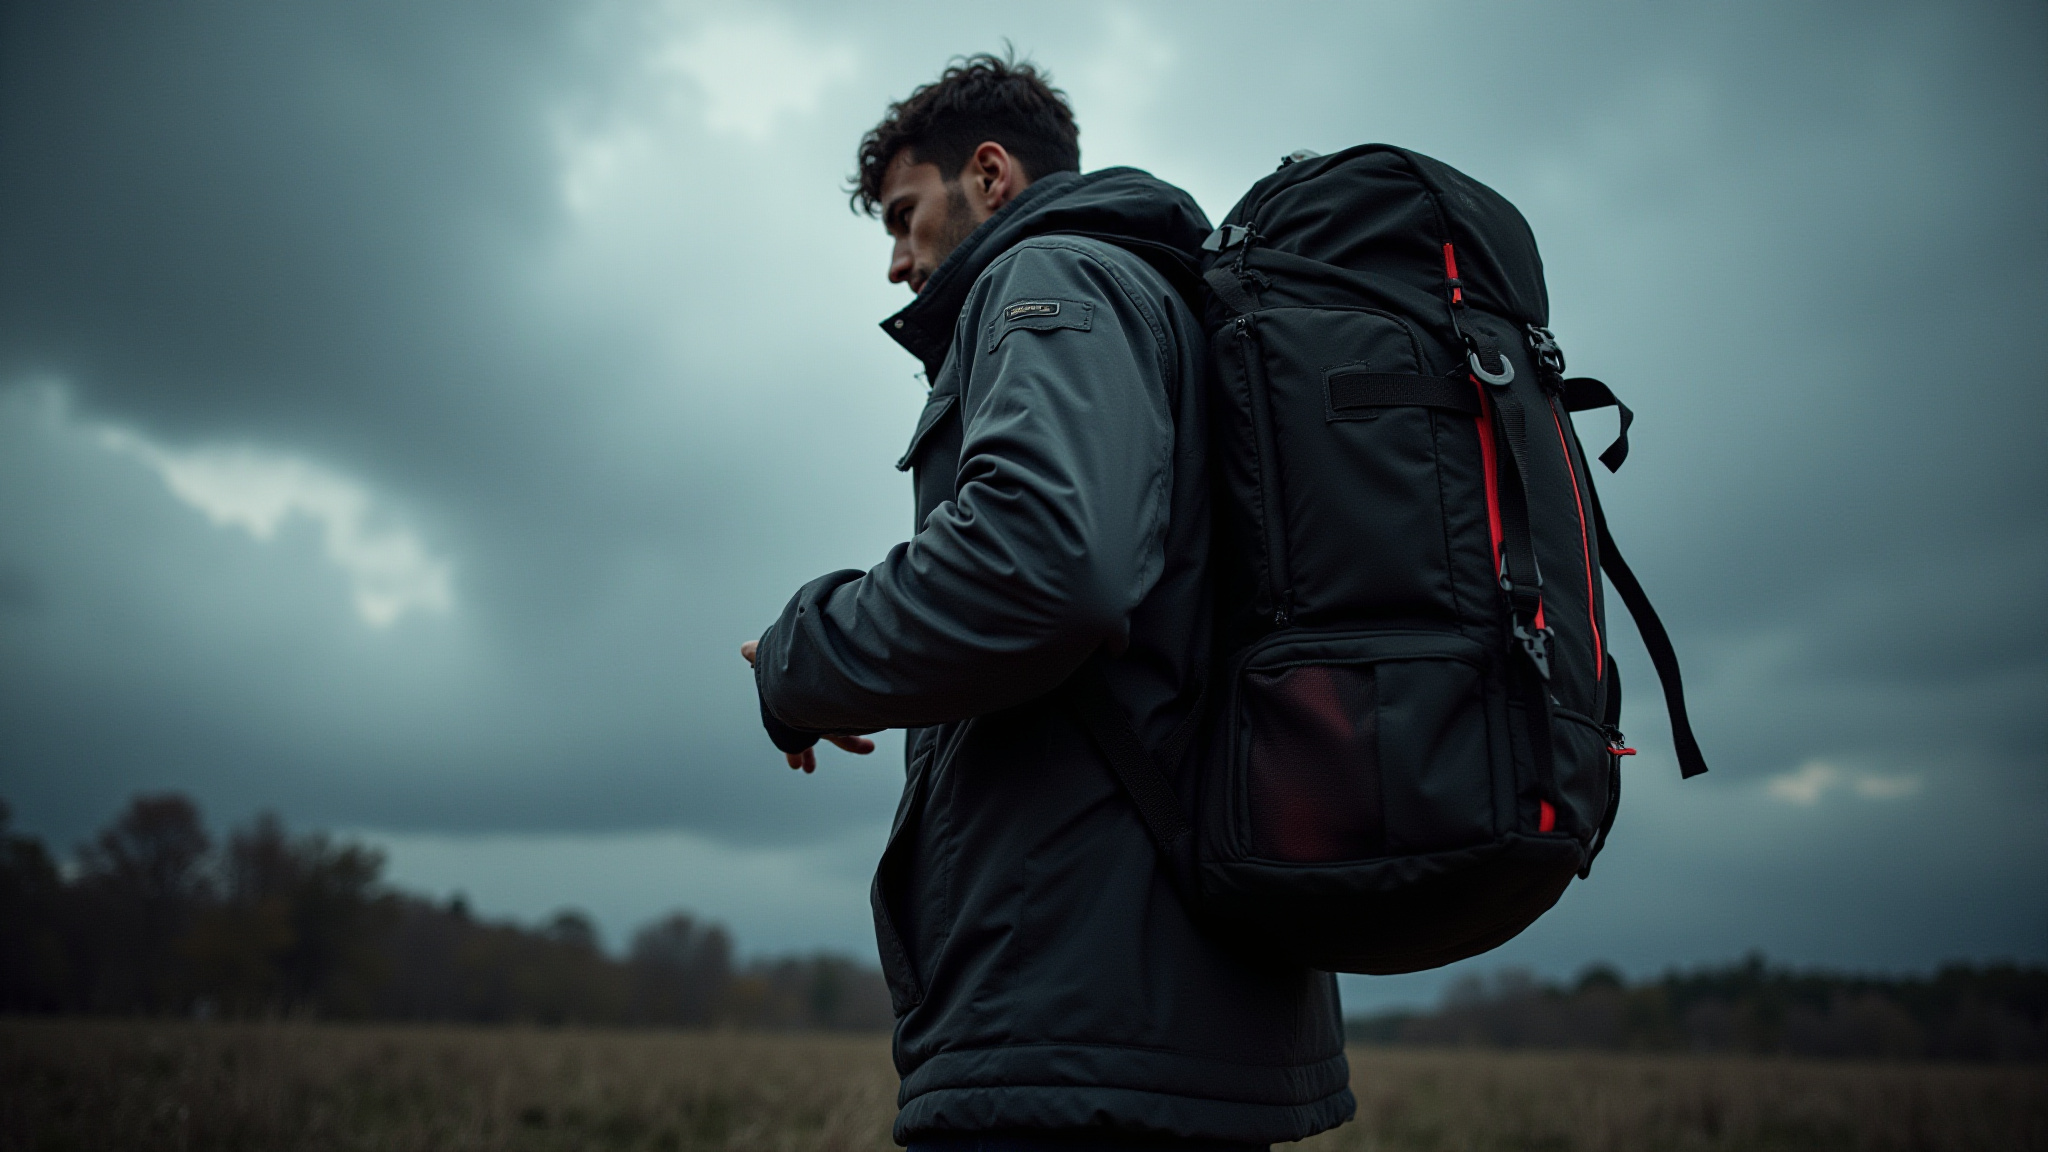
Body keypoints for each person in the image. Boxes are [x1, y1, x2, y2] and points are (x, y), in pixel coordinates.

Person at [741, 54, 1353, 1150]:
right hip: (1150, 1016)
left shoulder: (1056, 280)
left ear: (988, 174)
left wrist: (803, 657)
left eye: (902, 214)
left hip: (1074, 1019)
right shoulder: (1160, 304)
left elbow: (1039, 564)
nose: (894, 262)